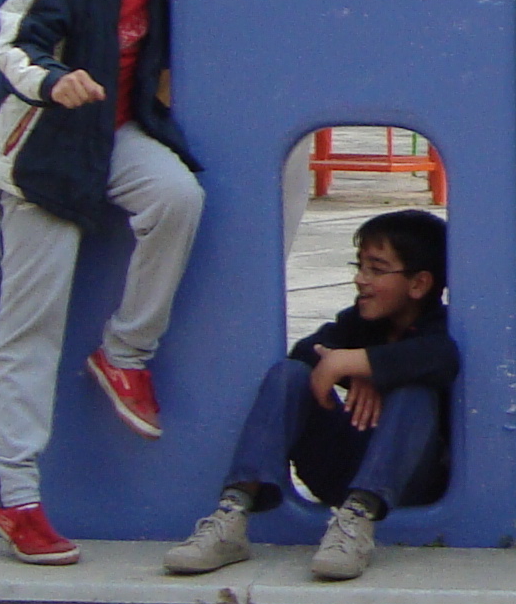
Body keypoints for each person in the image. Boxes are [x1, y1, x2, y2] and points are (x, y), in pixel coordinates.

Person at [0, 0, 202, 565]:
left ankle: (125, 352)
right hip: (48, 154)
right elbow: (15, 43)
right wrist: (51, 78)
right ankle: (15, 497)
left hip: (117, 137)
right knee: (29, 328)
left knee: (178, 197)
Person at [162, 209, 457, 582]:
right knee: (290, 375)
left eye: (376, 269)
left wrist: (364, 363)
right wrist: (357, 368)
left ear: (418, 284)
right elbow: (306, 351)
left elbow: (440, 358)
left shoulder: (442, 328)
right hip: (340, 469)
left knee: (414, 391)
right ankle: (233, 513)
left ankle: (357, 522)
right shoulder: (360, 323)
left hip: (406, 481)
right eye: (360, 266)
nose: (360, 279)